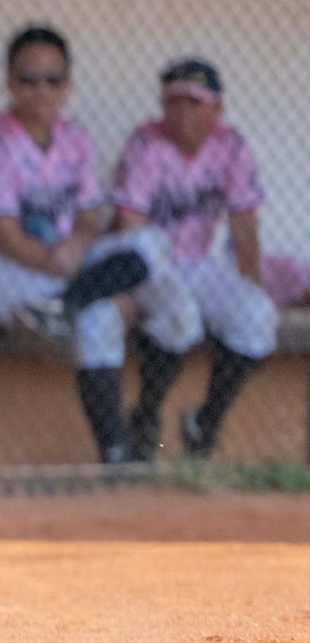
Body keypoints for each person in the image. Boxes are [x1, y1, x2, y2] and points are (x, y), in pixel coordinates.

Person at [0, 26, 195, 464]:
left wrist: (76, 248)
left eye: (52, 79)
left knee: (154, 247)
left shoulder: (75, 138)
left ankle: (67, 309)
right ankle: (118, 455)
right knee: (102, 313)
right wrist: (54, 259)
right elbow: (1, 233)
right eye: (27, 78)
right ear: (10, 83)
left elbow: (89, 217)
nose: (40, 89)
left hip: (67, 267)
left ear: (68, 85)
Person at [110, 59, 276, 460]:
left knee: (257, 317)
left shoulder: (231, 147)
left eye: (195, 103)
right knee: (180, 318)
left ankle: (205, 423)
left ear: (216, 109)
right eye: (175, 102)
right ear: (162, 105)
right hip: (150, 263)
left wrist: (248, 285)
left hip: (200, 264)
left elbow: (243, 225)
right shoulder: (145, 144)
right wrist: (130, 288)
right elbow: (129, 227)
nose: (184, 113)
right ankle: (146, 418)